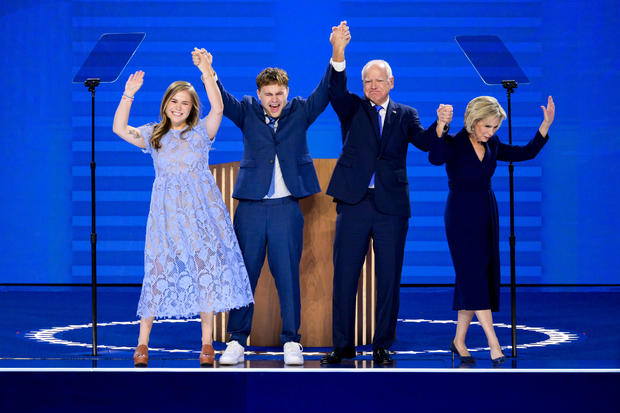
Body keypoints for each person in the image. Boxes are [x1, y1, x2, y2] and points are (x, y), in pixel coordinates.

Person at [321, 22, 454, 365]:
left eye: (379, 80)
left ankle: (382, 343)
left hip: (391, 207)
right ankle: (343, 345)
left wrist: (441, 126)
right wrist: (339, 50)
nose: (373, 86)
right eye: (367, 81)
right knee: (345, 275)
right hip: (354, 203)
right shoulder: (352, 107)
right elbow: (336, 88)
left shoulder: (406, 114)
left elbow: (426, 144)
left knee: (389, 278)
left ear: (391, 83)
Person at [112, 48, 254, 368]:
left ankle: (206, 344)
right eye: (174, 102)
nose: (178, 107)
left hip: (200, 214)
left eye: (185, 103)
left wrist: (207, 72)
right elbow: (120, 129)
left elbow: (218, 107)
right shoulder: (153, 135)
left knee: (204, 274)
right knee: (157, 273)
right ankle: (142, 344)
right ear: (165, 105)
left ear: (192, 109)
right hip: (165, 216)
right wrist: (128, 94)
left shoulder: (202, 132)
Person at [211, 46, 331, 366]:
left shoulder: (301, 111)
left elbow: (324, 92)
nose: (274, 99)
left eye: (279, 93)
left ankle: (292, 340)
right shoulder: (248, 111)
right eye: (268, 94)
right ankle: (237, 340)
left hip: (285, 209)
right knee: (244, 276)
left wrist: (336, 54)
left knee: (288, 276)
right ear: (259, 94)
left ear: (287, 93)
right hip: (250, 208)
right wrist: (209, 71)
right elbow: (222, 101)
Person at [429, 95, 555, 365]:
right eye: (487, 126)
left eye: (495, 127)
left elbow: (524, 153)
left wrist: (545, 125)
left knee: (475, 278)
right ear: (473, 122)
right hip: (461, 216)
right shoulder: (455, 143)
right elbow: (435, 157)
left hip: (487, 212)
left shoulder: (493, 143)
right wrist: (441, 126)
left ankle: (459, 341)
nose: (491, 132)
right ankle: (493, 342)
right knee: (472, 276)